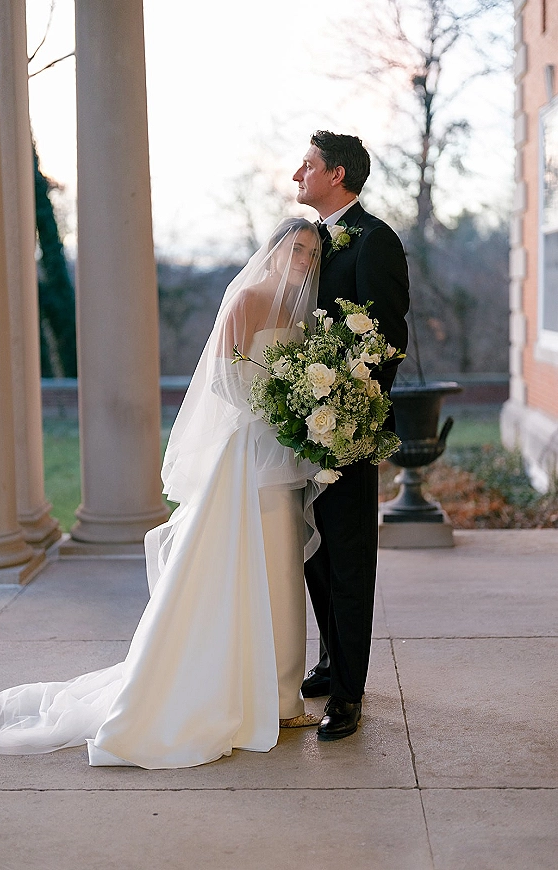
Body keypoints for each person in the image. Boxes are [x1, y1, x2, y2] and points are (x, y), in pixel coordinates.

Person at [0, 218, 322, 769]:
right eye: (297, 248)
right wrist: (273, 408)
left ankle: (282, 695)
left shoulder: (299, 312)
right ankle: (235, 692)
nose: (304, 260)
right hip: (246, 451)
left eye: (311, 252)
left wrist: (300, 413)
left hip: (281, 454)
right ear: (277, 249)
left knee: (280, 567)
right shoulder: (248, 301)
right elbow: (221, 378)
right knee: (242, 567)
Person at [293, 131, 409, 740]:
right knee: (316, 552)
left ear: (336, 175)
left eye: (306, 166)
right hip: (301, 423)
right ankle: (332, 658)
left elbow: (387, 339)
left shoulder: (376, 241)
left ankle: (349, 694)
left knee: (349, 558)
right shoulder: (311, 241)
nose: (297, 175)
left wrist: (346, 407)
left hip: (349, 428)